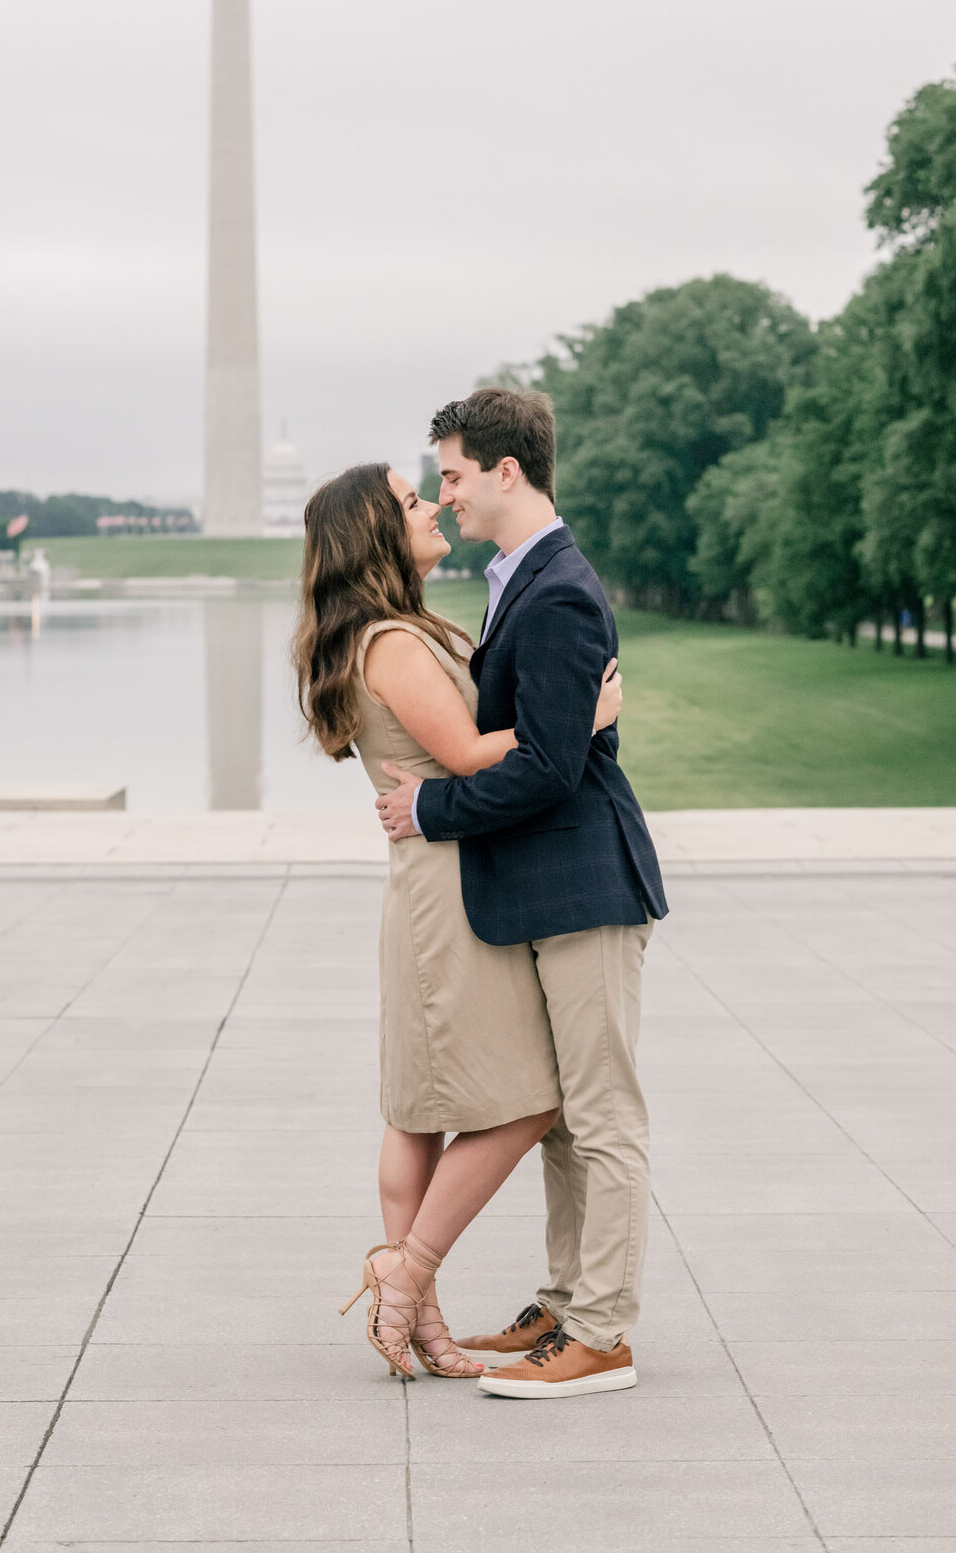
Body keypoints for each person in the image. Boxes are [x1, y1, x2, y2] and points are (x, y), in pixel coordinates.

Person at [293, 462, 623, 1381]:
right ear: (375, 538)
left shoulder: (388, 630)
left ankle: (417, 1318)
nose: (434, 503)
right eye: (410, 501)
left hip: (439, 878)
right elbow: (471, 752)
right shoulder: (392, 640)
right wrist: (577, 717)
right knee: (529, 1097)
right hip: (450, 888)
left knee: (419, 1108)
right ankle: (409, 1270)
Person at [376, 388, 668, 1399]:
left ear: (507, 471)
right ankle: (566, 1301)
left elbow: (551, 763)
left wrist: (430, 811)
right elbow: (565, 731)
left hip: (584, 881)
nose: (444, 494)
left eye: (453, 475)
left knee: (603, 1113)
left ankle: (604, 1334)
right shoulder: (520, 579)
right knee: (561, 1119)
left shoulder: (558, 590)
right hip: (544, 889)